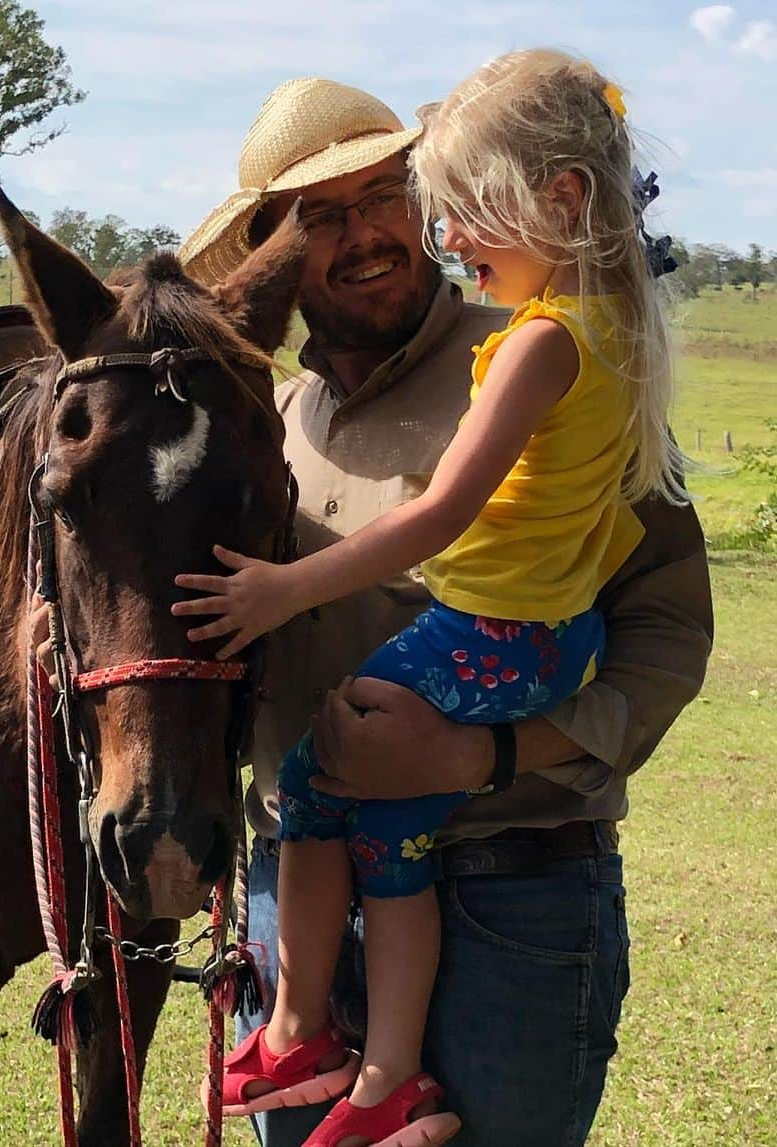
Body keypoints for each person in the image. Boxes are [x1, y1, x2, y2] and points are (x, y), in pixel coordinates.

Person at [175, 69, 712, 1147]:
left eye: (385, 195)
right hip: (300, 894)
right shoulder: (258, 426)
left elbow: (666, 633)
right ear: (274, 249)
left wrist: (490, 758)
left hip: (510, 899)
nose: (366, 232)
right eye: (322, 214)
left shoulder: (545, 360)